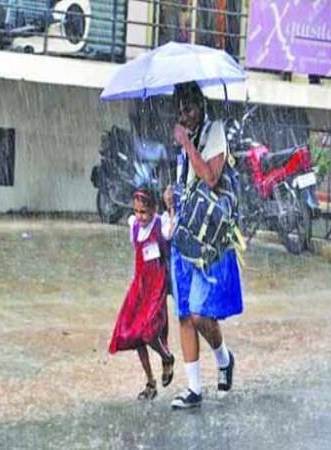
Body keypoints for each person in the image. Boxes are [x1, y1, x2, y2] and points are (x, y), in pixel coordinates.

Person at [168, 81, 243, 410]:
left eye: (190, 107)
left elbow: (211, 177)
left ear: (201, 105)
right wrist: (171, 197)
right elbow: (187, 181)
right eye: (180, 108)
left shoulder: (214, 132)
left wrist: (185, 143)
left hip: (206, 237)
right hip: (183, 232)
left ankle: (224, 358)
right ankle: (194, 389)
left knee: (200, 314)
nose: (185, 114)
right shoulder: (182, 140)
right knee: (184, 314)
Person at [108, 189, 175, 400]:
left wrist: (171, 207)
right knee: (134, 334)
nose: (139, 217)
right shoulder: (134, 226)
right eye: (136, 211)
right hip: (140, 286)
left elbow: (171, 234)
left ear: (154, 209)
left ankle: (167, 357)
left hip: (157, 285)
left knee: (148, 331)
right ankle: (150, 381)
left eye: (144, 212)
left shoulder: (161, 225)